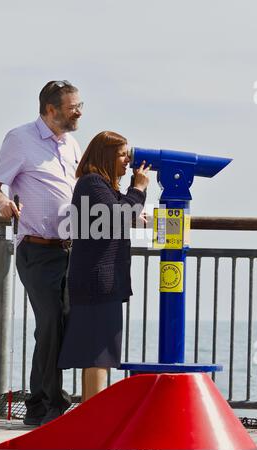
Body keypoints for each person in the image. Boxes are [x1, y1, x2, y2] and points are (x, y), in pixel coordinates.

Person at [0, 80, 83, 426]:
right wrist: (3, 202)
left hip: (69, 250)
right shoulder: (19, 138)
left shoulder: (71, 144)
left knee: (64, 323)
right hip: (37, 251)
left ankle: (44, 400)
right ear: (51, 109)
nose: (79, 112)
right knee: (51, 322)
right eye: (73, 107)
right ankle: (46, 405)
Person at [58, 131, 150, 402]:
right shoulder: (91, 183)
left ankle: (91, 414)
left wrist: (131, 198)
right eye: (122, 155)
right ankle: (93, 417)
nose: (127, 161)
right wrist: (139, 189)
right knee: (98, 352)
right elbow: (120, 215)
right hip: (97, 281)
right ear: (105, 155)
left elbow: (118, 212)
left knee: (97, 352)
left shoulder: (102, 187)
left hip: (101, 280)